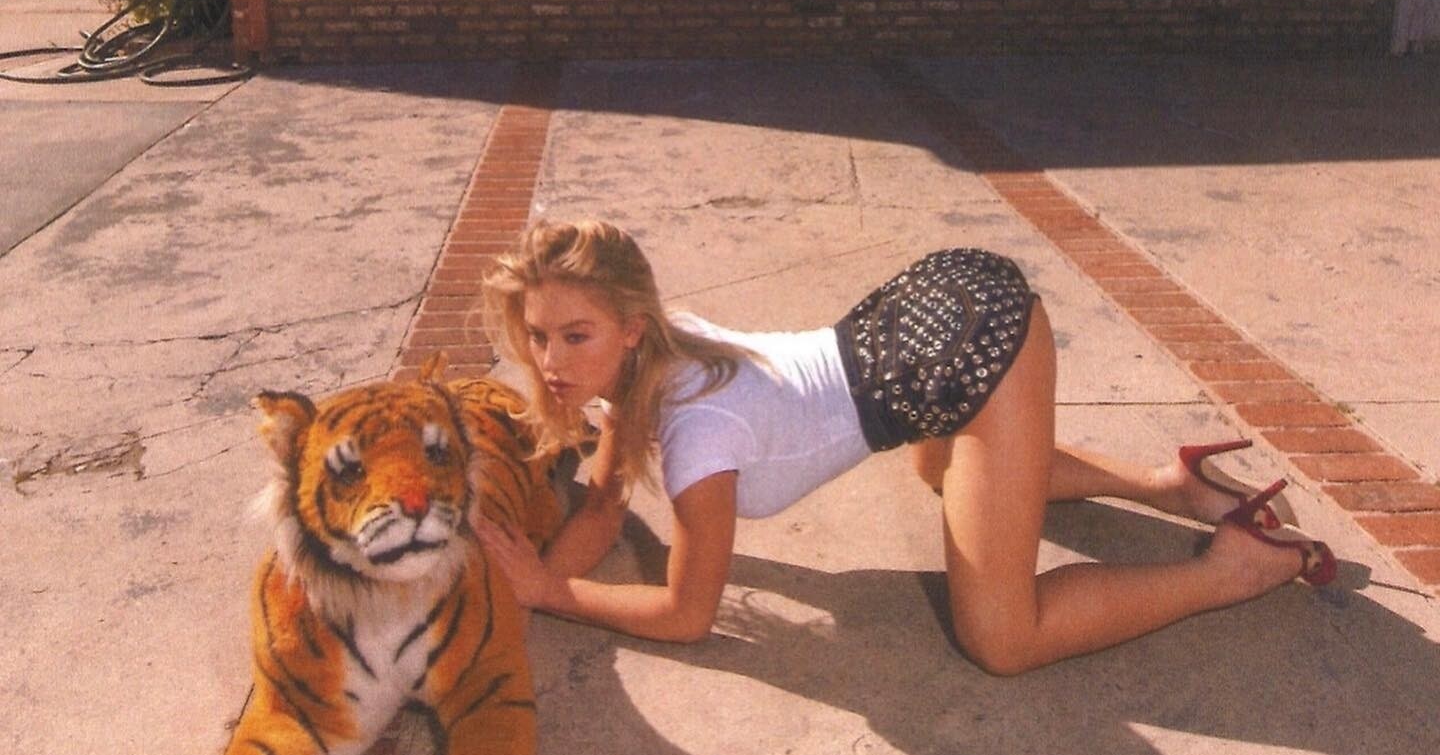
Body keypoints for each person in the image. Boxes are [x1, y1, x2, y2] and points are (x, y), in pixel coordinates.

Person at [474, 219, 1335, 675]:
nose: (550, 362)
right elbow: (602, 504)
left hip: (974, 343)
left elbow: (687, 614)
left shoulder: (700, 432)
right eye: (538, 335)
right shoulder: (649, 357)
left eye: (575, 336)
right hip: (917, 323)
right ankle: (1168, 483)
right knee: (941, 465)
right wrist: (532, 580)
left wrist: (550, 593)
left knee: (1004, 639)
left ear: (630, 328)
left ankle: (1233, 567)